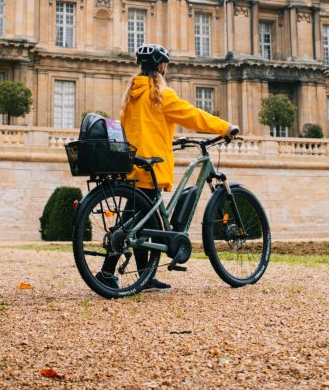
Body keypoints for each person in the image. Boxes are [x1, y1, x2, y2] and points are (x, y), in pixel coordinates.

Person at [96, 44, 239, 292]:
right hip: (152, 166)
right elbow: (192, 115)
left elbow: (140, 128)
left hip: (132, 164)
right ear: (162, 67)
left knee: (138, 223)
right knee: (134, 225)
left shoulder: (132, 95)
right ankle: (107, 273)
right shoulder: (160, 95)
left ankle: (144, 276)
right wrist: (224, 128)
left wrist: (167, 139)